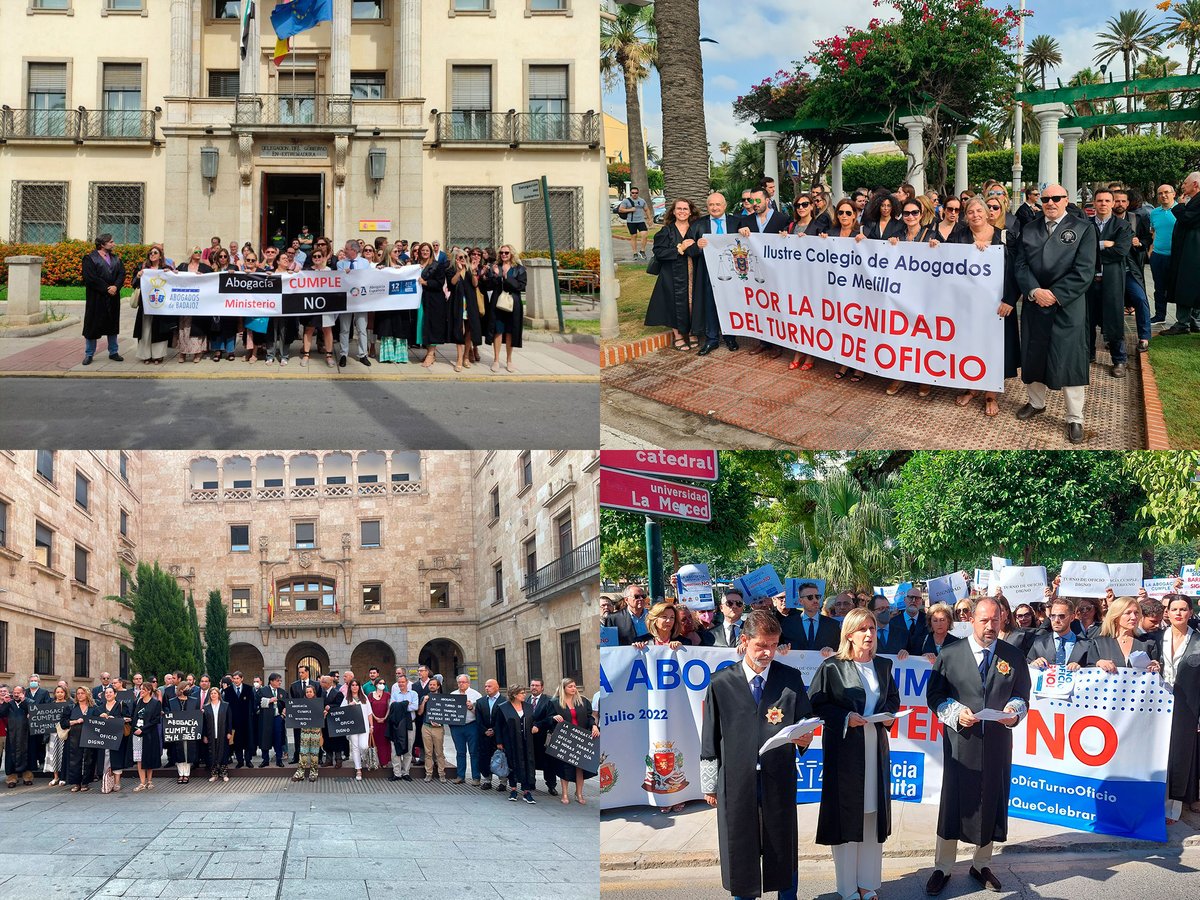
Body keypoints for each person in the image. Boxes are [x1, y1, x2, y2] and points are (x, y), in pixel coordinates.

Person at [700, 609, 813, 900]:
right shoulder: (721, 682)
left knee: (782, 846)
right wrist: (709, 784)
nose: (768, 652)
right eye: (761, 645)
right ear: (744, 640)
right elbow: (710, 736)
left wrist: (805, 736)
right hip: (736, 782)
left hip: (778, 778)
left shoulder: (789, 678)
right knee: (741, 847)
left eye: (774, 645)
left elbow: (806, 720)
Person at [925, 598, 1032, 895]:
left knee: (991, 800)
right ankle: (942, 867)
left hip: (997, 743)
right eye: (984, 620)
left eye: (995, 620)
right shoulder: (950, 653)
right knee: (953, 803)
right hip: (962, 742)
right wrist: (955, 712)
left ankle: (981, 863)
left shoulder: (1013, 655)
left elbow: (1022, 695)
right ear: (971, 619)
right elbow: (934, 696)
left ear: (1002, 621)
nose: (990, 626)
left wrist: (1013, 712)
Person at [810, 609, 901, 900]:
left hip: (875, 747)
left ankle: (868, 883)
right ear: (849, 634)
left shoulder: (884, 666)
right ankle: (848, 887)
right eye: (862, 629)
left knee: (872, 814)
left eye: (872, 628)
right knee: (848, 815)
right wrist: (846, 717)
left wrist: (889, 716)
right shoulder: (832, 667)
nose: (869, 634)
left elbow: (892, 700)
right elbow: (817, 704)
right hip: (846, 751)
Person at [1014, 183, 1098, 444]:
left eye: (1056, 198)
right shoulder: (1029, 228)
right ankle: (1036, 403)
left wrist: (1055, 295)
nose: (1050, 203)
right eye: (1046, 198)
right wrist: (1034, 290)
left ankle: (1075, 418)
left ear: (1066, 199)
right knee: (1034, 355)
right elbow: (1020, 264)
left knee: (1070, 361)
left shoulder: (1083, 229)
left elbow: (1084, 271)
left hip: (1067, 306)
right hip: (1035, 304)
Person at [937, 197, 1019, 418]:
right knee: (971, 346)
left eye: (979, 211)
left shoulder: (1004, 236)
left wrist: (1011, 299)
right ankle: (973, 388)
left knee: (994, 347)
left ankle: (990, 394)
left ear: (987, 212)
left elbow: (1015, 270)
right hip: (968, 305)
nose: (975, 215)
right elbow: (946, 260)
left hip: (998, 304)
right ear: (966, 216)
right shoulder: (960, 235)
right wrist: (935, 247)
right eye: (970, 212)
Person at [1085, 189, 1133, 379]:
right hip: (1088, 281)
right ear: (1094, 204)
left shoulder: (1123, 226)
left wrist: (1097, 247)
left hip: (1111, 280)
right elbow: (1081, 252)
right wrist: (1106, 244)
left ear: (1113, 203)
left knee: (1113, 320)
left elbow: (1121, 251)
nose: (1103, 204)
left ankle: (1119, 360)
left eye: (1107, 200)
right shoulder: (1086, 225)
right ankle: (1087, 355)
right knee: (1086, 320)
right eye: (1099, 200)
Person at [1161, 594, 1200, 821]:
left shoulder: (1197, 641)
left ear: (1190, 612)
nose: (1178, 613)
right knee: (1159, 754)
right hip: (1157, 704)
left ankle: (1172, 809)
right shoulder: (1155, 638)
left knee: (1180, 755)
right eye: (1174, 609)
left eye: (1183, 609)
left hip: (1187, 707)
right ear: (1167, 612)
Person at [691, 191, 742, 356]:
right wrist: (697, 245)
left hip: (733, 273)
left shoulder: (737, 222)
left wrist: (746, 232)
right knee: (710, 304)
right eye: (711, 205)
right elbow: (690, 249)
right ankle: (711, 339)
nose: (714, 207)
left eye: (718, 204)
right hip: (708, 272)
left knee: (730, 303)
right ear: (707, 207)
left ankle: (730, 337)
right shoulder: (698, 225)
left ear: (725, 206)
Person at [821, 199, 865, 381]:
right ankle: (845, 362)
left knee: (857, 327)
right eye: (840, 212)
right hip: (835, 288)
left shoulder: (862, 233)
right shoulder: (830, 233)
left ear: (855, 214)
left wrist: (866, 243)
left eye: (848, 213)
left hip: (857, 289)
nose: (844, 216)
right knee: (842, 326)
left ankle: (859, 366)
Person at [545, 678, 597, 805]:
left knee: (580, 767)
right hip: (565, 738)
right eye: (570, 686)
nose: (574, 688)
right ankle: (564, 793)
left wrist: (594, 726)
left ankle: (579, 793)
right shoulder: (555, 703)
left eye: (574, 686)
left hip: (581, 737)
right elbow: (547, 719)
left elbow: (590, 717)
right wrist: (553, 718)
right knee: (565, 766)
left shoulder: (583, 701)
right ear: (563, 688)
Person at [1076, 595, 1162, 672]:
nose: (1133, 617)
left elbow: (1155, 674)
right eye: (1128, 613)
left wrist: (1154, 665)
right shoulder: (1098, 643)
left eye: (1136, 613)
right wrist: (1098, 664)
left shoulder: (1148, 642)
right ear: (1116, 616)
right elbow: (1088, 671)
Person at [1113, 189, 1152, 353]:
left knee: (1140, 299)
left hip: (1131, 269)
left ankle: (1144, 337)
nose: (1120, 204)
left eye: (1123, 201)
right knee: (1113, 305)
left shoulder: (1136, 219)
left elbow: (1147, 239)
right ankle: (1114, 338)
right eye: (1117, 201)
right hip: (1111, 271)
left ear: (1128, 203)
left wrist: (1139, 243)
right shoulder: (1105, 221)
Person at [1163, 172, 1200, 335]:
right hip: (1187, 250)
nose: (1183, 186)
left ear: (1195, 185)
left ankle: (1185, 322)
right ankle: (1189, 321)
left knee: (1188, 284)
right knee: (1186, 284)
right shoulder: (1194, 201)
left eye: (1185, 183)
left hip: (1193, 251)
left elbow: (1188, 219)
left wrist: (1179, 205)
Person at [81, 233, 126, 365]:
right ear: (102, 244)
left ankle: (113, 351)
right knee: (93, 325)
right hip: (97, 297)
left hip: (112, 297)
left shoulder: (116, 259)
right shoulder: (90, 258)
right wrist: (106, 288)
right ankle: (89, 354)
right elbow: (90, 277)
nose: (114, 244)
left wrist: (116, 287)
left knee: (112, 324)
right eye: (111, 242)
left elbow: (121, 274)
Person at [132, 244, 176, 364]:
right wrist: (138, 276)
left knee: (159, 329)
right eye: (150, 253)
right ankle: (145, 355)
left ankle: (158, 355)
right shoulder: (143, 268)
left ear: (160, 255)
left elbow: (175, 281)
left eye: (155, 253)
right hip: (146, 304)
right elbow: (134, 284)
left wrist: (171, 273)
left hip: (161, 305)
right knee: (145, 329)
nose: (152, 255)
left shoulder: (166, 268)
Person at [496, 684, 538, 803]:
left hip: (526, 741)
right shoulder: (503, 707)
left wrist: (535, 725)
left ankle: (526, 791)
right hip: (510, 741)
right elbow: (498, 726)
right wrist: (499, 741)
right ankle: (513, 789)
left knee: (527, 763)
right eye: (521, 693)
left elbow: (534, 720)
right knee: (512, 763)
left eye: (524, 692)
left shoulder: (529, 707)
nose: (524, 695)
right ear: (514, 694)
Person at [335, 239, 373, 368]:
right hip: (346, 301)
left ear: (354, 250)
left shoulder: (365, 263)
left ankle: (363, 355)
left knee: (362, 329)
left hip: (361, 301)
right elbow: (339, 280)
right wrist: (343, 274)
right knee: (344, 329)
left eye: (347, 249)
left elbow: (368, 279)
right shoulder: (341, 263)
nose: (345, 251)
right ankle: (343, 354)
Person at [447, 248, 483, 373]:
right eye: (460, 257)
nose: (463, 259)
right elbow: (451, 283)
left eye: (464, 257)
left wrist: (473, 271)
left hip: (470, 303)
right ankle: (458, 358)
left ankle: (466, 356)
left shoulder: (470, 268)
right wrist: (459, 270)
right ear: (455, 258)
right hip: (457, 303)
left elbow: (475, 284)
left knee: (469, 330)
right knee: (458, 329)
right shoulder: (451, 269)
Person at [1148, 183, 1180, 324]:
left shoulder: (1181, 210)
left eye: (1167, 192)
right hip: (1158, 256)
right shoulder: (1154, 213)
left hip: (1177, 257)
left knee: (1179, 287)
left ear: (1174, 194)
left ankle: (1182, 320)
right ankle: (1160, 315)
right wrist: (1151, 250)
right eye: (1160, 193)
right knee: (1159, 287)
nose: (1163, 195)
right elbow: (1154, 232)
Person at [174, 248, 212, 363]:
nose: (199, 254)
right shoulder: (183, 267)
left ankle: (197, 352)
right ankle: (183, 353)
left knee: (197, 327)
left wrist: (204, 277)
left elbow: (212, 280)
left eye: (200, 252)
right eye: (196, 252)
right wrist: (174, 273)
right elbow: (173, 278)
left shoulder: (205, 268)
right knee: (183, 327)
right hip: (185, 302)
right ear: (191, 253)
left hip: (198, 303)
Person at [1026, 598, 1084, 669]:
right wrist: (1034, 664)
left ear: (1072, 618)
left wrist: (1081, 669)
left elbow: (1094, 670)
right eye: (1053, 616)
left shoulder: (1086, 645)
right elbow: (1026, 667)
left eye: (1061, 616)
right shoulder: (1039, 643)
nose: (1056, 620)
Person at [62, 686, 98, 792]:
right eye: (78, 693)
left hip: (89, 737)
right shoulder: (71, 707)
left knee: (88, 759)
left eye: (82, 693)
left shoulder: (94, 708)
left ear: (87, 694)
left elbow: (99, 721)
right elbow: (63, 723)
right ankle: (76, 783)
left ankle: (85, 782)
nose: (80, 695)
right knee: (74, 760)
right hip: (74, 737)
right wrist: (75, 721)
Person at [96, 684, 131, 793]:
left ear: (115, 694)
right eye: (106, 693)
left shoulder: (121, 705)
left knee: (116, 758)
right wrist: (99, 717)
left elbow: (129, 718)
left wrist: (115, 718)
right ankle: (107, 781)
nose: (108, 694)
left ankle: (117, 782)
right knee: (105, 758)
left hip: (117, 736)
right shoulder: (100, 707)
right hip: (104, 737)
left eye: (110, 692)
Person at [165, 683, 201, 784]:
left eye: (189, 688)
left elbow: (197, 714)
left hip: (189, 731)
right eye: (186, 688)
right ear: (181, 689)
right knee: (178, 751)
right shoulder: (172, 702)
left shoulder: (194, 701)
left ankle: (187, 774)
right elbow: (168, 714)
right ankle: (181, 774)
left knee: (187, 751)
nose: (188, 690)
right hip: (177, 731)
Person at [449, 674, 482, 785]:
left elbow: (481, 714)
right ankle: (460, 776)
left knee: (474, 752)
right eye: (459, 682)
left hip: (471, 725)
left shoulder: (476, 695)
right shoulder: (453, 695)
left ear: (468, 683)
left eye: (463, 682)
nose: (461, 684)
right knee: (460, 752)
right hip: (457, 727)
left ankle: (476, 777)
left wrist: (471, 707)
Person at [0, 686, 34, 788]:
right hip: (12, 734)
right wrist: (5, 703)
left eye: (18, 692)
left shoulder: (29, 702)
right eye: (14, 692)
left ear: (23, 693)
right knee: (11, 757)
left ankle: (27, 778)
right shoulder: (9, 703)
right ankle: (12, 779)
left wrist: (24, 701)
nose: (16, 694)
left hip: (26, 734)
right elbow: (1, 713)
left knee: (27, 754)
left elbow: (34, 712)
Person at [131, 680, 162, 791]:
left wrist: (143, 729)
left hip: (149, 734)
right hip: (137, 734)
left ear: (149, 690)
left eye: (143, 689)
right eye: (140, 689)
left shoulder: (155, 703)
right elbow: (134, 716)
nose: (141, 691)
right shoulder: (138, 702)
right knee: (139, 758)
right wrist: (135, 728)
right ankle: (142, 782)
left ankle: (149, 781)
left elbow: (155, 720)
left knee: (149, 757)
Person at [476, 678, 506, 791]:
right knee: (485, 758)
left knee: (500, 758)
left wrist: (494, 730)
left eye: (490, 686)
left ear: (497, 687)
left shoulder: (504, 701)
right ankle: (487, 780)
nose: (487, 688)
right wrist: (485, 731)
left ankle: (503, 782)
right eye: (485, 686)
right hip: (484, 736)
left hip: (498, 736)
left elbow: (504, 721)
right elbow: (478, 720)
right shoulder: (481, 701)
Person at [418, 676, 450, 783]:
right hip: (426, 726)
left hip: (438, 728)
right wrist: (424, 702)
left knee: (439, 752)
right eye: (430, 685)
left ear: (438, 686)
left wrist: (440, 722)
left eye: (433, 685)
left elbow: (446, 714)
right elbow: (420, 712)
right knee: (428, 752)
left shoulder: (443, 698)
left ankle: (442, 774)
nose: (431, 686)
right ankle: (428, 773)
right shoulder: (424, 697)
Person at [289, 665, 321, 763]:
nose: (300, 674)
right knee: (298, 736)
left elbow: (319, 699)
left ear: (307, 672)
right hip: (299, 717)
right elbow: (292, 700)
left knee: (315, 737)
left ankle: (317, 758)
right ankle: (297, 757)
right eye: (299, 672)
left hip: (313, 716)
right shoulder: (294, 685)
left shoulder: (316, 684)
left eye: (302, 672)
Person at [385, 677, 415, 782]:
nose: (401, 684)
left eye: (403, 682)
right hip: (396, 725)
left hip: (410, 724)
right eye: (399, 682)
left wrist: (399, 706)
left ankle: (405, 772)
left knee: (409, 749)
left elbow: (415, 706)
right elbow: (392, 707)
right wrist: (406, 704)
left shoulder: (413, 694)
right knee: (394, 749)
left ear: (407, 683)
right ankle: (397, 773)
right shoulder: (394, 694)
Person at [343, 680, 373, 781]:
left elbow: (369, 713)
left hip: (364, 726)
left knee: (364, 746)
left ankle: (363, 757)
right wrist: (349, 706)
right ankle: (358, 769)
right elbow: (341, 712)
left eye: (357, 685)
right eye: (353, 685)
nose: (355, 687)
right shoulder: (347, 698)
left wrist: (371, 726)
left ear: (360, 687)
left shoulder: (364, 698)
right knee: (355, 748)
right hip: (352, 727)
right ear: (350, 687)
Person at [223, 671, 254, 768]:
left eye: (237, 678)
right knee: (237, 742)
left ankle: (248, 760)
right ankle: (240, 761)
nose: (236, 681)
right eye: (234, 679)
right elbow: (226, 707)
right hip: (234, 721)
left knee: (248, 741)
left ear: (242, 678)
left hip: (247, 721)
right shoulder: (227, 691)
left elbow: (253, 704)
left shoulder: (249, 689)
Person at [202, 685, 232, 783]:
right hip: (211, 734)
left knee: (223, 754)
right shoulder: (206, 707)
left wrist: (229, 732)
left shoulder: (225, 705)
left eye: (215, 693)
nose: (213, 695)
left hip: (223, 734)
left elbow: (229, 720)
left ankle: (224, 774)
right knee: (212, 754)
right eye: (211, 693)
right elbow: (204, 723)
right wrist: (205, 735)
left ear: (219, 695)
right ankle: (214, 774)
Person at [293, 684, 323, 782]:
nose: (308, 693)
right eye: (307, 692)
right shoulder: (301, 703)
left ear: (314, 692)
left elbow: (321, 718)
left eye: (310, 691)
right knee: (303, 751)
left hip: (315, 731)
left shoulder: (318, 703)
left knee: (314, 752)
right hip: (305, 730)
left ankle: (314, 772)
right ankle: (300, 773)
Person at [257, 673, 287, 768]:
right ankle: (265, 760)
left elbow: (287, 704)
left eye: (280, 681)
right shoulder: (263, 690)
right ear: (271, 681)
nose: (280, 682)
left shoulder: (282, 692)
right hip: (266, 719)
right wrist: (269, 700)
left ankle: (279, 760)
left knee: (278, 738)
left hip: (278, 718)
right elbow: (257, 703)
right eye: (278, 680)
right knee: (265, 738)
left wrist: (283, 715)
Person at [44, 684, 70, 786]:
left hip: (65, 732)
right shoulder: (50, 704)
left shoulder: (69, 704)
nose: (59, 694)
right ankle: (55, 777)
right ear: (55, 694)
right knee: (54, 754)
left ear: (65, 693)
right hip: (53, 733)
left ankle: (64, 777)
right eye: (58, 692)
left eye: (62, 692)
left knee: (63, 754)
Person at [618, 186, 650, 260]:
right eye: (633, 193)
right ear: (630, 193)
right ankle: (635, 253)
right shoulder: (626, 201)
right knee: (634, 236)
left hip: (641, 221)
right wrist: (630, 210)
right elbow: (621, 210)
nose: (634, 194)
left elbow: (647, 209)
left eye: (636, 193)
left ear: (638, 193)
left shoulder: (642, 201)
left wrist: (649, 219)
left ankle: (642, 250)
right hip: (631, 221)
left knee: (644, 235)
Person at [367, 678, 392, 772]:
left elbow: (389, 707)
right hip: (374, 722)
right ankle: (374, 762)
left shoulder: (387, 695)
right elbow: (369, 709)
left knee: (384, 742)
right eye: (380, 683)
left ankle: (384, 762)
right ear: (376, 684)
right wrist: (376, 718)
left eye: (383, 683)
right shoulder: (370, 695)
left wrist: (385, 717)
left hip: (384, 722)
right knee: (374, 742)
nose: (382, 684)